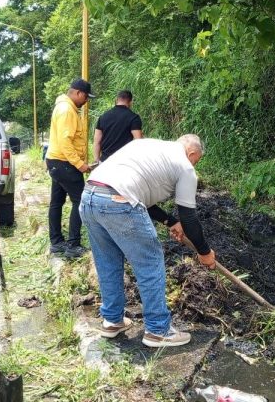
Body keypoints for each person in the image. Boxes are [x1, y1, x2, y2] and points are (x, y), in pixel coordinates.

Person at [79, 134, 217, 348]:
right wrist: (204, 252)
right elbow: (189, 216)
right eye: (196, 161)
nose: (194, 165)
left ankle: (112, 320)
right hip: (119, 200)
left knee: (107, 262)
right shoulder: (185, 167)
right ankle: (158, 330)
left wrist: (171, 221)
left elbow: (139, 192)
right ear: (191, 153)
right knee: (150, 262)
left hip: (90, 197)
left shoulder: (148, 146)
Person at [45, 78, 94, 258]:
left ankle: (56, 242)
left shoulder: (64, 107)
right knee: (80, 201)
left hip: (56, 162)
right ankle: (73, 244)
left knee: (57, 202)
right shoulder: (67, 111)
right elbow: (66, 142)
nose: (86, 101)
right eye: (86, 97)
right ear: (78, 93)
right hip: (64, 163)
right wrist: (80, 164)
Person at [93, 90, 143, 162]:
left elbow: (97, 141)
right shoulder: (133, 117)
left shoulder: (103, 117)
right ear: (131, 102)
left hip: (105, 161)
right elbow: (138, 141)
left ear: (116, 100)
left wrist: (97, 160)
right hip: (124, 162)